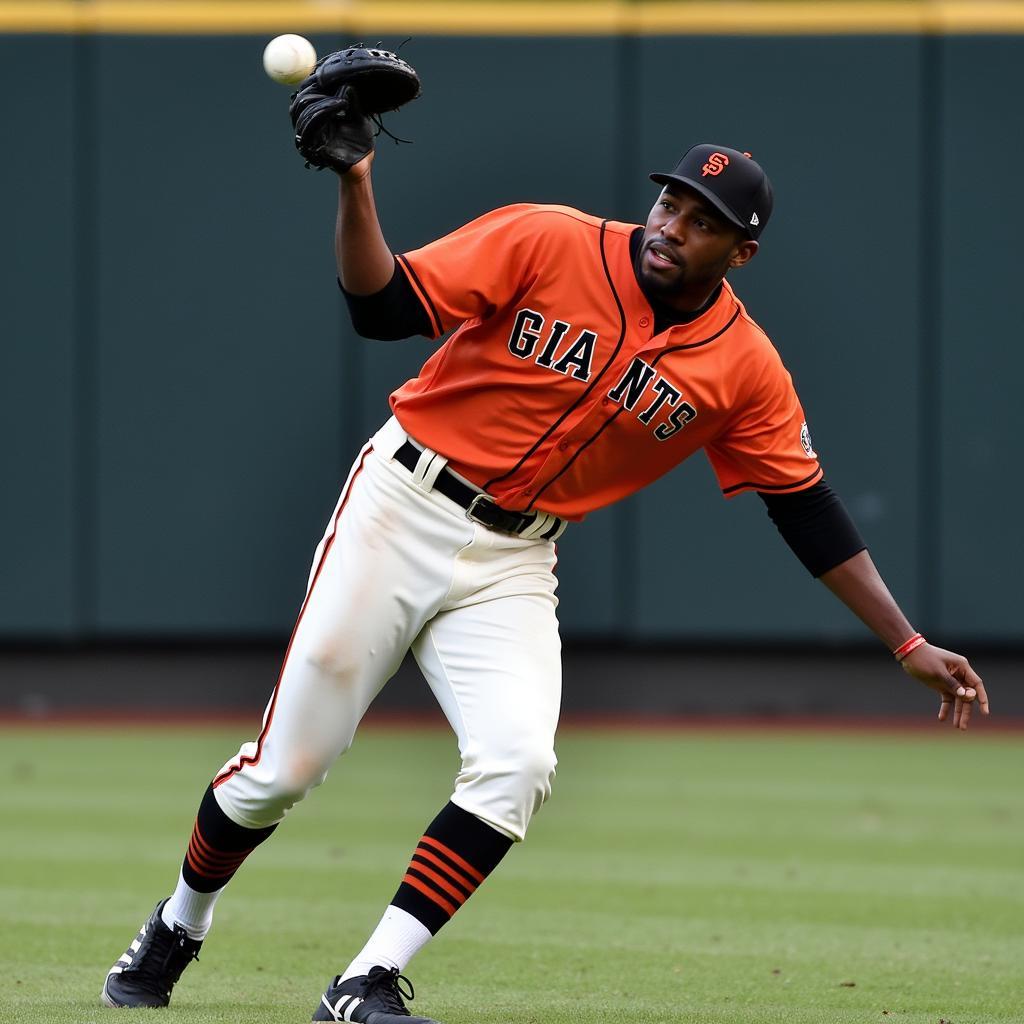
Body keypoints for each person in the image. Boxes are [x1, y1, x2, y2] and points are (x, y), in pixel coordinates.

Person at [101, 141, 988, 1024]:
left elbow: (805, 506)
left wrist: (904, 642)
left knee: (519, 763)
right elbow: (383, 306)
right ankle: (180, 923)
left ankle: (364, 980)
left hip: (517, 558)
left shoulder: (743, 365)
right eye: (671, 203)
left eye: (703, 222)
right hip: (402, 504)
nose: (672, 226)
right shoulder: (549, 238)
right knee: (285, 772)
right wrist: (356, 180)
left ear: (741, 253)